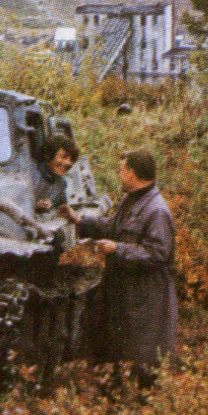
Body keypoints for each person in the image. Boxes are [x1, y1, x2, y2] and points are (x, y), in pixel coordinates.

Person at [60, 147, 177, 389]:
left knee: (141, 350)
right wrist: (79, 220)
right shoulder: (131, 200)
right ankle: (114, 393)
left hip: (145, 295)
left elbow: (159, 254)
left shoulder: (156, 210)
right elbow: (109, 226)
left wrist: (118, 249)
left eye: (121, 170)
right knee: (117, 346)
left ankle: (141, 400)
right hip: (124, 288)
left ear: (132, 173)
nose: (119, 174)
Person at [35, 134, 80, 214]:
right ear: (48, 155)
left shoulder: (61, 184)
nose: (68, 163)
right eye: (64, 157)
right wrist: (34, 206)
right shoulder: (30, 174)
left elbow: (61, 211)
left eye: (72, 159)